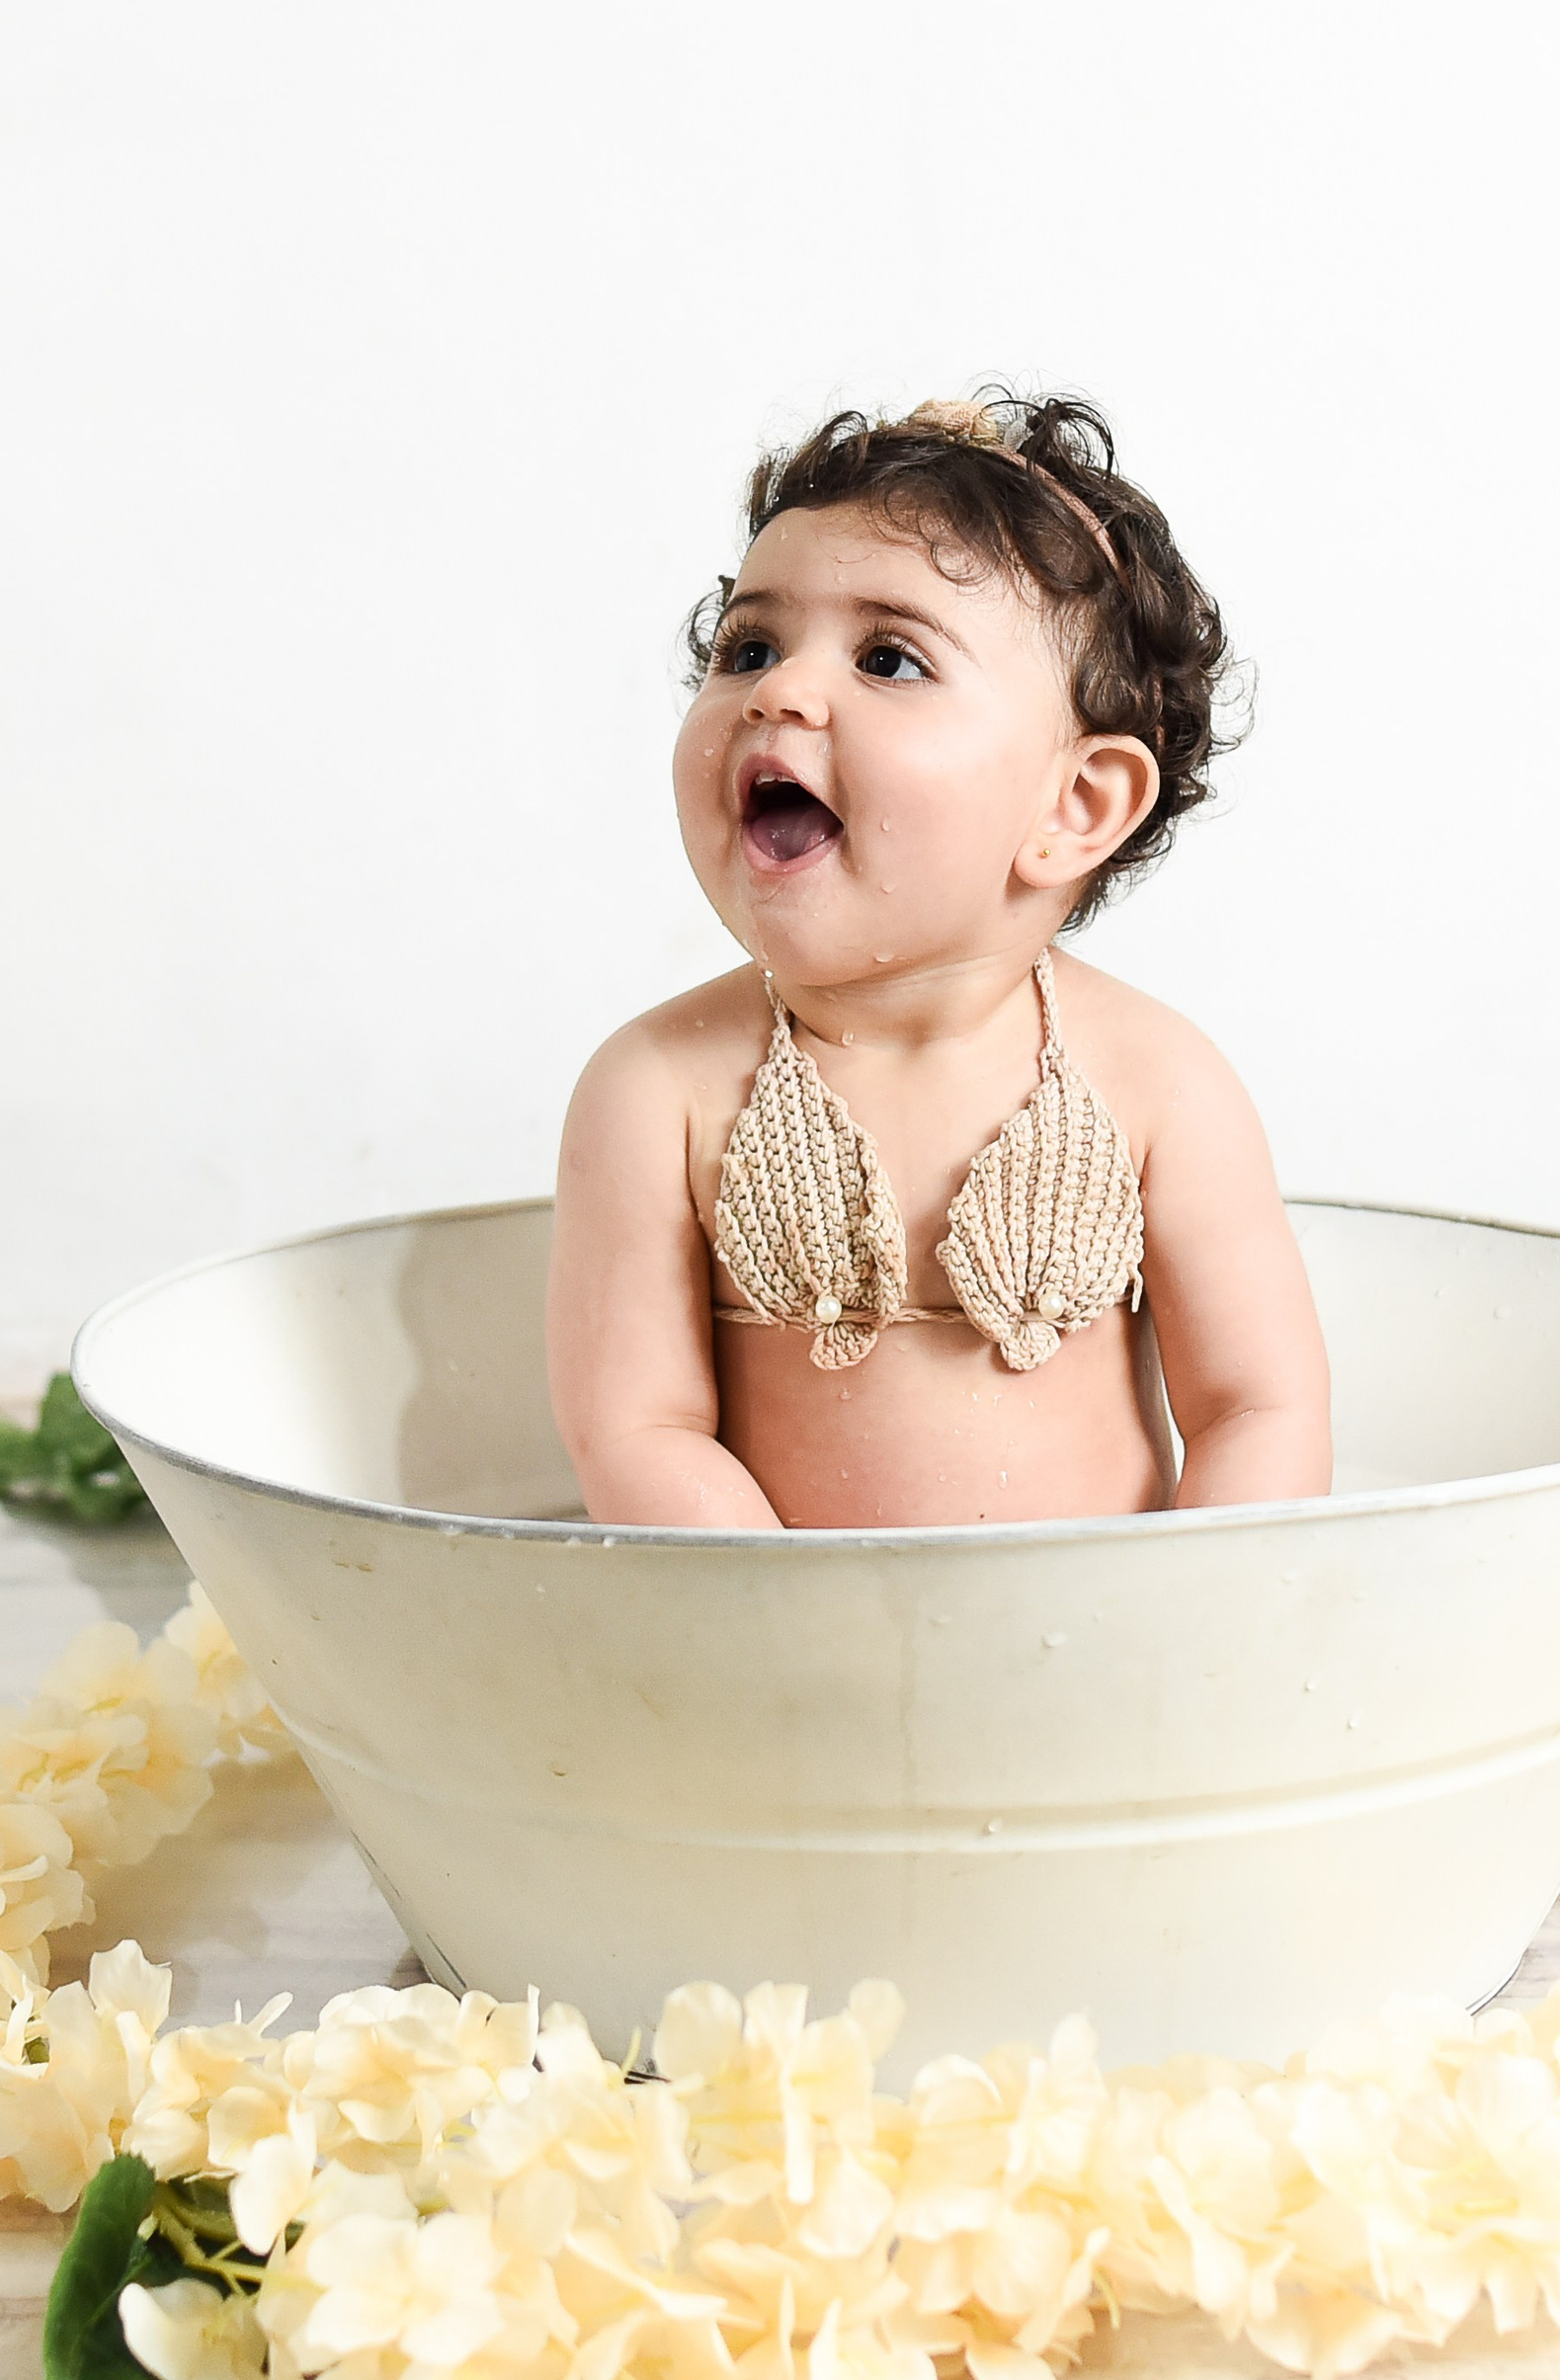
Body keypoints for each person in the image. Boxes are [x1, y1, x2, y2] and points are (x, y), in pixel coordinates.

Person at [547, 393, 1331, 1529]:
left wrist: (1205, 1610)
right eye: (750, 645)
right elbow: (634, 1424)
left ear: (1074, 802)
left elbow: (1256, 1404)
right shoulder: (656, 1090)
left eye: (888, 658)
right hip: (783, 1665)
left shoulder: (1155, 1080)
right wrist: (775, 1632)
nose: (777, 689)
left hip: (1101, 1648)